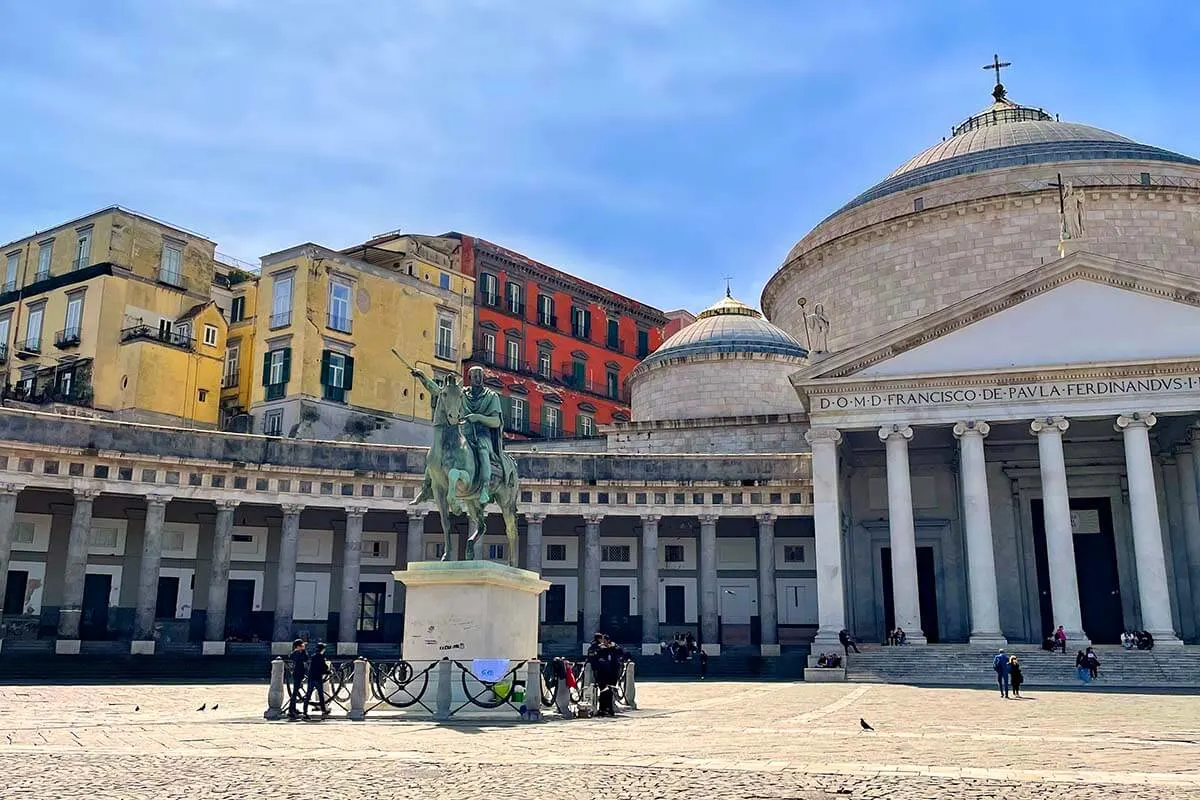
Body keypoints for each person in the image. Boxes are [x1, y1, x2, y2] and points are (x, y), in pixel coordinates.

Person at [304, 642, 330, 718]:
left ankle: (305, 711)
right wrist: (328, 671)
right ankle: (323, 710)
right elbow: (323, 667)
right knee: (320, 694)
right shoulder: (321, 657)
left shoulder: (313, 656)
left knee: (308, 694)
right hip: (318, 678)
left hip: (311, 677)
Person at [287, 639, 309, 720]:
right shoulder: (295, 653)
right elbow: (302, 659)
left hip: (300, 673)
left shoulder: (300, 652)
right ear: (298, 646)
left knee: (296, 692)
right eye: (302, 645)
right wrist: (302, 652)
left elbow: (306, 658)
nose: (303, 646)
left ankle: (293, 709)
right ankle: (291, 710)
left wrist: (303, 651)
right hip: (297, 674)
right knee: (294, 693)